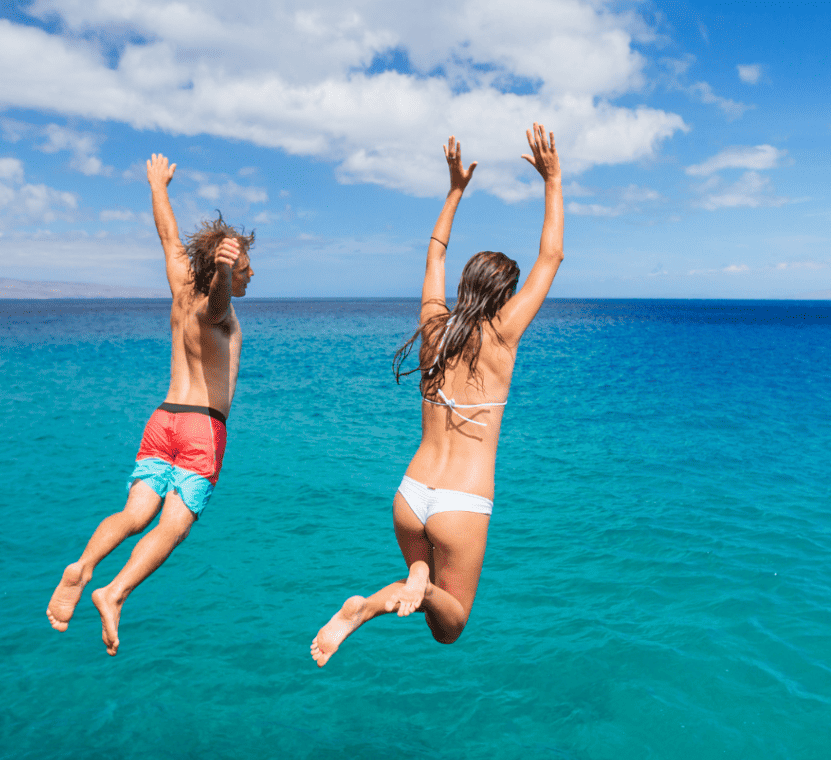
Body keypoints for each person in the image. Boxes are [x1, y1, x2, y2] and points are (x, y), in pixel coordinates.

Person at [311, 123, 563, 666]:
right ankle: (416, 588)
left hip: (411, 494)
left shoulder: (433, 329)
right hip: (461, 502)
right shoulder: (502, 336)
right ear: (504, 296)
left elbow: (433, 259)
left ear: (466, 287)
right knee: (449, 627)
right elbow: (551, 258)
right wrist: (553, 180)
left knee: (420, 573)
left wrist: (454, 191)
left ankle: (412, 576)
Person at [46, 153, 254, 655]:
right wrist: (226, 275)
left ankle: (83, 565)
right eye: (245, 267)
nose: (252, 275)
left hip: (162, 421)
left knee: (133, 513)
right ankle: (114, 592)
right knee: (172, 526)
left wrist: (157, 184)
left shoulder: (182, 287)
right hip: (202, 429)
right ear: (225, 268)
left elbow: (167, 234)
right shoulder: (215, 312)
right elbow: (222, 301)